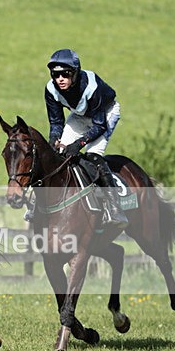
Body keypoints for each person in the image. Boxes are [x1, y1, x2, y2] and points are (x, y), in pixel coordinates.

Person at [45, 49, 128, 228]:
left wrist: (78, 144)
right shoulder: (51, 89)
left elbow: (99, 126)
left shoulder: (92, 87)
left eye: (65, 74)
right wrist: (53, 140)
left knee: (93, 155)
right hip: (79, 115)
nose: (60, 79)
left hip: (105, 113)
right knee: (58, 153)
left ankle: (115, 208)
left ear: (75, 73)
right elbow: (56, 122)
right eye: (55, 74)